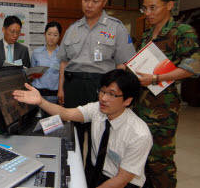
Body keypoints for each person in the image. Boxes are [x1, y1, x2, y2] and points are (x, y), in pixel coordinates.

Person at [13, 69, 153, 188]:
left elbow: (121, 180)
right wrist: (41, 101)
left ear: (128, 100)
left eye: (111, 94)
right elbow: (67, 113)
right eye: (102, 91)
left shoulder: (139, 134)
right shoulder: (97, 109)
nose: (103, 98)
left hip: (122, 183)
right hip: (94, 172)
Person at [57, 0, 136, 155]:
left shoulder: (117, 28)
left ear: (104, 1)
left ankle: (93, 176)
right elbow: (63, 61)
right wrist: (61, 88)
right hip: (73, 86)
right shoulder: (72, 29)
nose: (89, 5)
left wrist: (114, 93)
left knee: (98, 137)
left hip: (100, 87)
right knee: (72, 136)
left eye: (95, 1)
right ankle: (72, 175)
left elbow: (122, 64)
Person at [135, 0, 200, 188]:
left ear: (170, 5)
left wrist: (154, 78)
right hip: (140, 106)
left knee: (160, 162)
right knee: (142, 159)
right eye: (145, 8)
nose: (148, 13)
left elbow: (193, 67)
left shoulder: (182, 31)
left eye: (153, 8)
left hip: (163, 110)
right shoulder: (147, 35)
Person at [31, 21, 62, 104]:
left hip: (54, 95)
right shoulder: (36, 52)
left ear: (59, 36)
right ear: (44, 34)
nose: (52, 37)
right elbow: (31, 74)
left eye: (55, 35)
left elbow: (63, 76)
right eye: (49, 34)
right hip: (37, 93)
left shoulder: (62, 54)